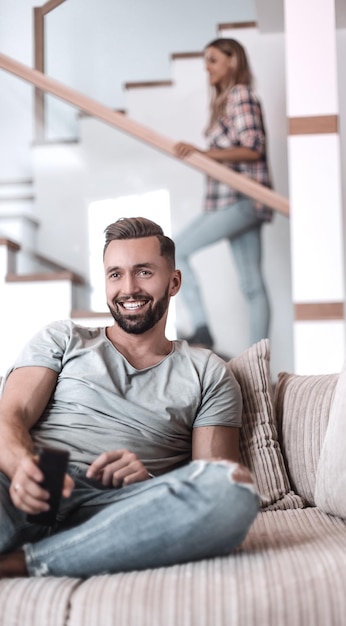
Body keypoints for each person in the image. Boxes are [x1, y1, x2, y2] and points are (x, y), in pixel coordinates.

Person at [0, 216, 259, 579]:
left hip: (120, 508)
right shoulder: (63, 338)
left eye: (144, 272)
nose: (129, 288)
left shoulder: (209, 371)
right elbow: (9, 416)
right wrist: (22, 467)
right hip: (28, 483)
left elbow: (213, 473)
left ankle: (29, 562)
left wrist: (147, 482)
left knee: (233, 489)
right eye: (115, 274)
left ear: (174, 282)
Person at [174, 37, 273, 350]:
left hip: (239, 200)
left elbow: (253, 148)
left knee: (174, 250)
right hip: (236, 201)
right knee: (252, 286)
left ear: (232, 61)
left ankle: (202, 329)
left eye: (213, 59)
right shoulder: (225, 100)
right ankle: (258, 357)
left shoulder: (240, 95)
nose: (207, 67)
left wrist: (204, 154)